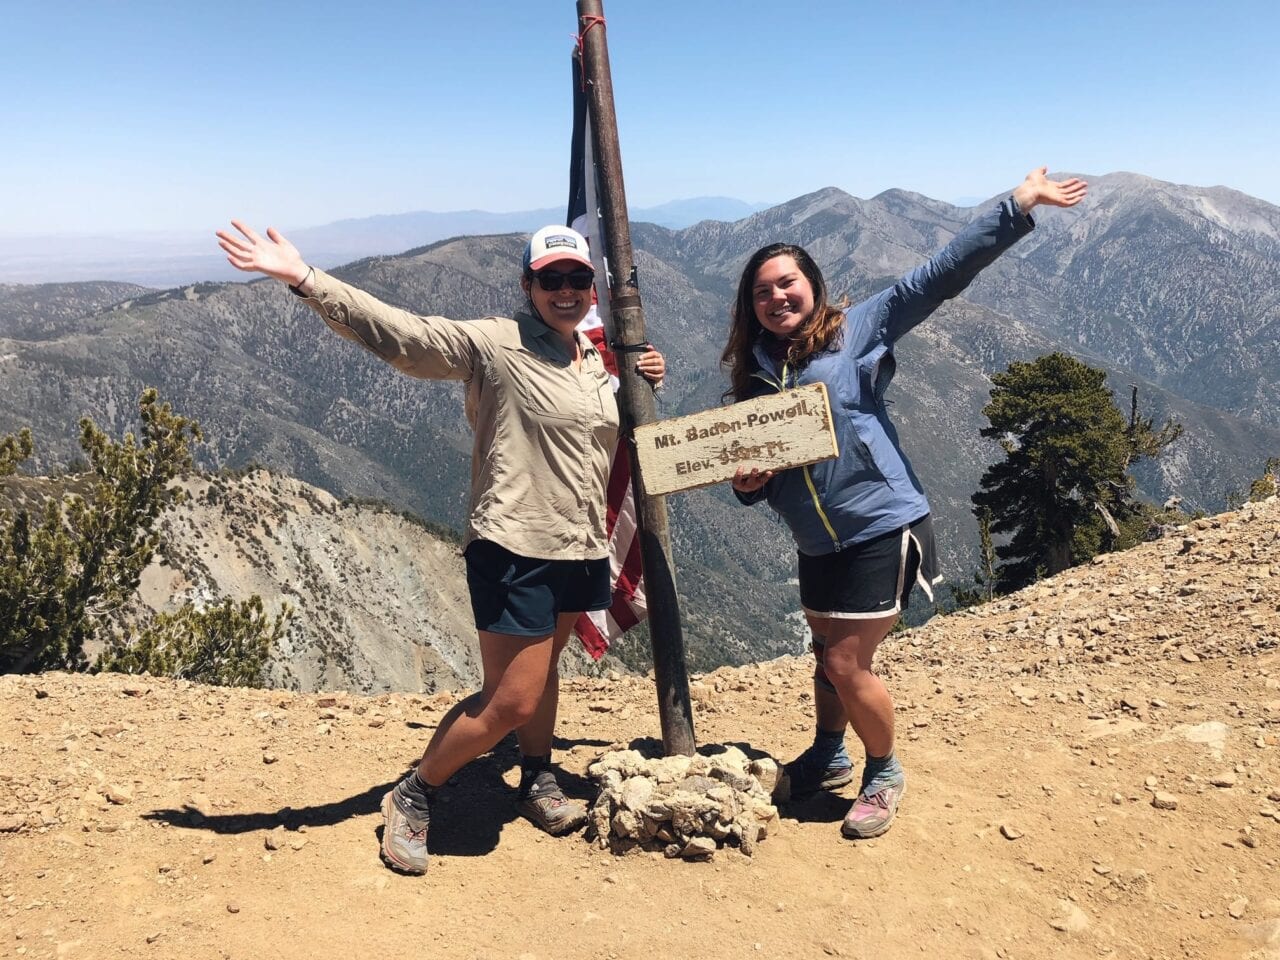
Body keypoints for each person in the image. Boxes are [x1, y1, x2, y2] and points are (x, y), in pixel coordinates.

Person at [216, 221, 666, 873]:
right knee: (510, 699)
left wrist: (645, 374)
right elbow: (406, 338)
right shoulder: (494, 343)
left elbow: (613, 429)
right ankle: (415, 793)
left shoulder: (593, 356)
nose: (565, 290)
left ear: (590, 286)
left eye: (577, 279)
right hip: (515, 546)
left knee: (542, 678)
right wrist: (305, 279)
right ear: (528, 286)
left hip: (580, 545)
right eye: (551, 280)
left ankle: (536, 776)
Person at [723, 167, 1088, 840]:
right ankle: (830, 756)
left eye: (787, 283)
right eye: (763, 291)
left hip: (882, 523)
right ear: (751, 306)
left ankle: (883, 772)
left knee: (844, 663)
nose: (777, 297)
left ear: (814, 286)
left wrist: (1017, 206)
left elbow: (938, 275)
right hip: (817, 540)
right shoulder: (755, 376)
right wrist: (750, 485)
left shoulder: (855, 331)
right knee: (824, 651)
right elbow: (766, 471)